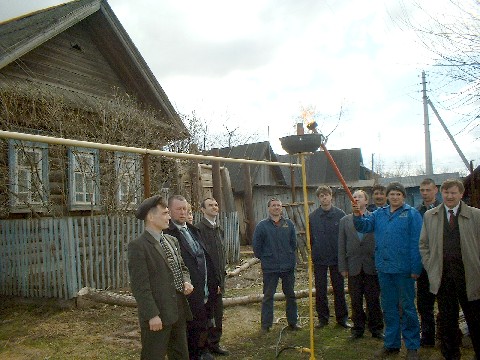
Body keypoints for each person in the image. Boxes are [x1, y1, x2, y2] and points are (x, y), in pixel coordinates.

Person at [353, 182, 422, 360]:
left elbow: (417, 243)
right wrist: (357, 214)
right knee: (389, 307)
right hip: (384, 269)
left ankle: (412, 345)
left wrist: (416, 267)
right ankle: (391, 344)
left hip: (404, 270)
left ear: (403, 197)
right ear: (387, 196)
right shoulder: (379, 214)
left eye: (398, 194)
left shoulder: (411, 214)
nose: (394, 197)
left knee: (407, 307)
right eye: (392, 194)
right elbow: (363, 226)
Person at [419, 179, 480, 360]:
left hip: (470, 277)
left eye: (453, 193)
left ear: (461, 194)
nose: (450, 196)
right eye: (446, 193)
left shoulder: (476, 215)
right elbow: (424, 245)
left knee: (476, 320)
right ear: (441, 194)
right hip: (443, 277)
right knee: (447, 321)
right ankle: (451, 354)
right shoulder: (430, 216)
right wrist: (431, 266)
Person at [127, 195, 194, 359]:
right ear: (151, 217)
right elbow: (140, 286)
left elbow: (182, 267)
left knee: (181, 355)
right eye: (164, 213)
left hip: (178, 310)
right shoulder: (138, 246)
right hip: (158, 314)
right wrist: (152, 315)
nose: (169, 217)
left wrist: (186, 281)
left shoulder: (172, 240)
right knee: (153, 355)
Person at [164, 195, 218, 360]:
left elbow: (205, 257)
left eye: (185, 209)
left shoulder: (193, 230)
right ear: (170, 211)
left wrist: (214, 282)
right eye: (178, 209)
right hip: (186, 290)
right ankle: (193, 354)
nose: (182, 212)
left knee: (204, 321)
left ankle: (203, 351)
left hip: (204, 286)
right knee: (190, 326)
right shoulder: (167, 234)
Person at [338, 190, 383, 340]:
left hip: (371, 265)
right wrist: (343, 267)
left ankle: (376, 328)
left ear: (366, 201)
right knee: (355, 299)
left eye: (359, 197)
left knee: (373, 299)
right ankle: (358, 329)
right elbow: (341, 245)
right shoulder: (345, 220)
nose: (356, 199)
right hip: (353, 266)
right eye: (354, 197)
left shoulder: (375, 218)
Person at [253, 197, 299, 333]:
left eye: (279, 205)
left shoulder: (289, 224)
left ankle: (293, 323)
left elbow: (293, 244)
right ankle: (265, 325)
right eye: (273, 205)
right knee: (268, 296)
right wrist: (266, 258)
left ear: (281, 208)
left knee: (290, 295)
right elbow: (256, 246)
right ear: (269, 208)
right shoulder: (262, 226)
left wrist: (289, 256)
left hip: (287, 267)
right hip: (270, 267)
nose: (276, 207)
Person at [309, 185, 350, 329]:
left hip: (336, 258)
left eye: (326, 195)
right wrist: (313, 253)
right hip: (320, 258)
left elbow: (346, 237)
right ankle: (323, 318)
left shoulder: (340, 215)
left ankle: (342, 318)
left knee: (339, 289)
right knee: (320, 289)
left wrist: (344, 256)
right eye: (321, 196)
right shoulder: (313, 217)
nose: (324, 198)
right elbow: (310, 239)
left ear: (331, 196)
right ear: (318, 198)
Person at [195, 197, 229, 356]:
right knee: (207, 315)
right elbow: (204, 258)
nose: (214, 207)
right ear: (202, 209)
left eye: (216, 204)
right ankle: (204, 347)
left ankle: (215, 343)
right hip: (208, 282)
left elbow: (220, 256)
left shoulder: (218, 228)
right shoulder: (199, 229)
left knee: (218, 314)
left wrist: (222, 278)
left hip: (219, 280)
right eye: (210, 205)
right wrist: (212, 281)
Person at [416, 178, 440, 347]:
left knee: (446, 303)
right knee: (424, 304)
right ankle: (428, 337)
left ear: (435, 190)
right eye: (422, 190)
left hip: (442, 263)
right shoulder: (416, 212)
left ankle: (448, 335)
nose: (425, 193)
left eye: (428, 190)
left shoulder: (443, 210)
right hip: (424, 264)